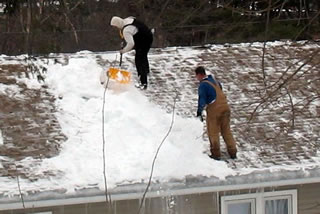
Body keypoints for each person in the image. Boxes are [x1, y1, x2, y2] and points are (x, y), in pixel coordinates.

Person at [195, 66, 237, 160]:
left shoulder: (203, 85)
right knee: (226, 131)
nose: (196, 78)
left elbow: (202, 99)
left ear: (199, 75)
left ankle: (216, 153)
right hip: (226, 108)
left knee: (213, 132)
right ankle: (233, 152)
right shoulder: (215, 82)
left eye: (196, 76)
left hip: (215, 111)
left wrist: (199, 111)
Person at [110, 16, 153, 90]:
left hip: (144, 40)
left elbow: (131, 44)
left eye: (115, 27)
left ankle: (143, 83)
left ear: (118, 24)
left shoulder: (126, 30)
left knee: (139, 60)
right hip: (148, 35)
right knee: (143, 56)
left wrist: (123, 51)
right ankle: (146, 73)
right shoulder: (128, 20)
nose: (116, 29)